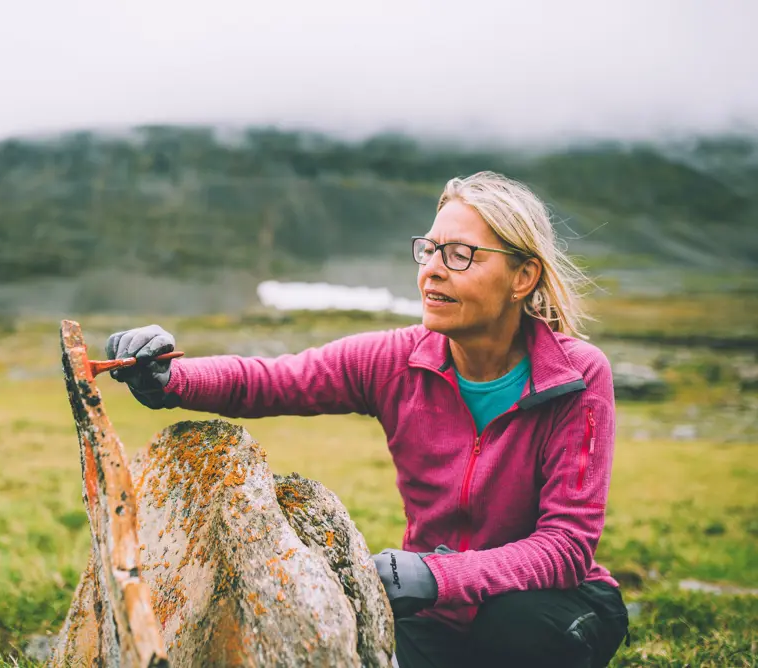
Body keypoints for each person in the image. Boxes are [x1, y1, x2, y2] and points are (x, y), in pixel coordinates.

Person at [105, 171, 629, 668]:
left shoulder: (577, 378)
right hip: (437, 613)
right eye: (429, 250)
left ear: (523, 276)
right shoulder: (397, 360)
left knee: (515, 628)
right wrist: (168, 379)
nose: (433, 269)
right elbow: (273, 379)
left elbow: (565, 548)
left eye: (461, 255)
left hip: (554, 604)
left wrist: (435, 574)